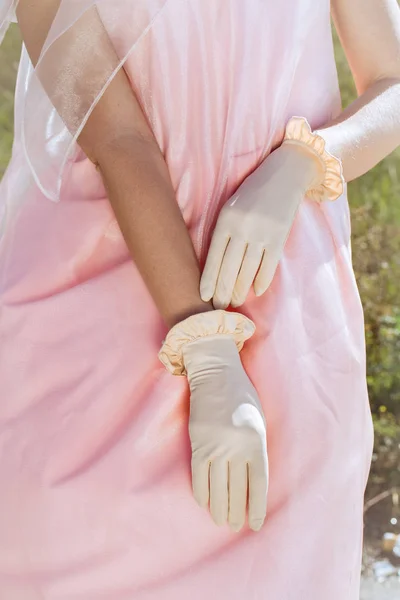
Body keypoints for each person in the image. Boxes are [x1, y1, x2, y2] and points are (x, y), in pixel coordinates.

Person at [0, 0, 399, 598]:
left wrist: (304, 161)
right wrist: (208, 351)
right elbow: (116, 136)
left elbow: (392, 85)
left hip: (285, 299)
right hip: (96, 310)